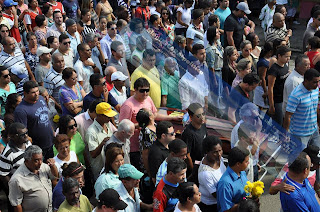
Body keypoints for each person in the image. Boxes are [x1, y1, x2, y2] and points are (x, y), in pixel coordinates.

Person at [120, 78, 181, 169]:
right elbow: (123, 127)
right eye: (142, 91)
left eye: (147, 90)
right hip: (134, 147)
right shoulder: (128, 105)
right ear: (135, 90)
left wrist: (171, 117)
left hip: (152, 145)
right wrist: (143, 124)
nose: (145, 93)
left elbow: (154, 115)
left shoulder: (148, 99)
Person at [8, 145, 58, 212]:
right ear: (27, 160)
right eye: (36, 160)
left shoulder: (43, 167)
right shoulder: (17, 180)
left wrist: (53, 166)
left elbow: (55, 177)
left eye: (41, 159)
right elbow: (17, 205)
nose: (40, 163)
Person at [14, 81, 54, 160]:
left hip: (50, 142)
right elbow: (22, 133)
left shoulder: (41, 99)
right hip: (37, 148)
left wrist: (53, 133)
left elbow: (47, 118)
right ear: (25, 93)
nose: (36, 94)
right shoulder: (21, 110)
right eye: (33, 92)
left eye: (37, 91)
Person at [283, 68, 320, 147]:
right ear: (306, 80)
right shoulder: (296, 95)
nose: (317, 84)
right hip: (300, 135)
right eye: (315, 82)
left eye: (318, 81)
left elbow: (315, 107)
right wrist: (286, 133)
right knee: (301, 158)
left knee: (316, 156)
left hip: (314, 131)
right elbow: (288, 115)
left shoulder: (315, 90)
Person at [0, 123, 31, 212]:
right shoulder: (8, 154)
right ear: (13, 137)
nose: (26, 136)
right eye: (22, 134)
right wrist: (14, 190)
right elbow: (3, 175)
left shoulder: (28, 143)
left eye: (26, 133)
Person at [86, 102, 117, 180]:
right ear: (99, 115)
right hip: (100, 169)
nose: (110, 118)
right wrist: (102, 144)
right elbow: (93, 154)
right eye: (107, 116)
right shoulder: (91, 132)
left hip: (111, 166)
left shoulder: (108, 124)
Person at [217, 146, 250, 212]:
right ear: (238, 164)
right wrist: (246, 204)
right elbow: (226, 209)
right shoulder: (225, 184)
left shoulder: (242, 172)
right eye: (246, 162)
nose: (248, 163)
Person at [198, 136, 226, 212]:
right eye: (215, 152)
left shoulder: (219, 159)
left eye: (220, 150)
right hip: (210, 206)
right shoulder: (205, 173)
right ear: (207, 152)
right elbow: (216, 195)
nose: (219, 154)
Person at [267, 45, 291, 125]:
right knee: (278, 123)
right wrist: (271, 104)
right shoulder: (274, 69)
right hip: (277, 100)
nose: (288, 59)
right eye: (286, 57)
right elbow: (270, 88)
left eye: (289, 57)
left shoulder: (285, 66)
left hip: (284, 98)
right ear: (279, 56)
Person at [182, 103, 207, 172]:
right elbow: (187, 156)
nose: (202, 117)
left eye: (203, 114)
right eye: (198, 115)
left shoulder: (203, 126)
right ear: (191, 117)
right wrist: (193, 171)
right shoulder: (188, 133)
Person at [253, 42, 273, 109]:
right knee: (260, 107)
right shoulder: (263, 62)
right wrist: (265, 91)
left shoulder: (270, 59)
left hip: (268, 86)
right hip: (263, 87)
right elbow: (262, 77)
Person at [137, 108, 157, 173]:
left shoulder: (155, 125)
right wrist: (149, 171)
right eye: (151, 112)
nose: (153, 113)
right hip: (150, 165)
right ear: (150, 117)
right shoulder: (146, 132)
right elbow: (145, 154)